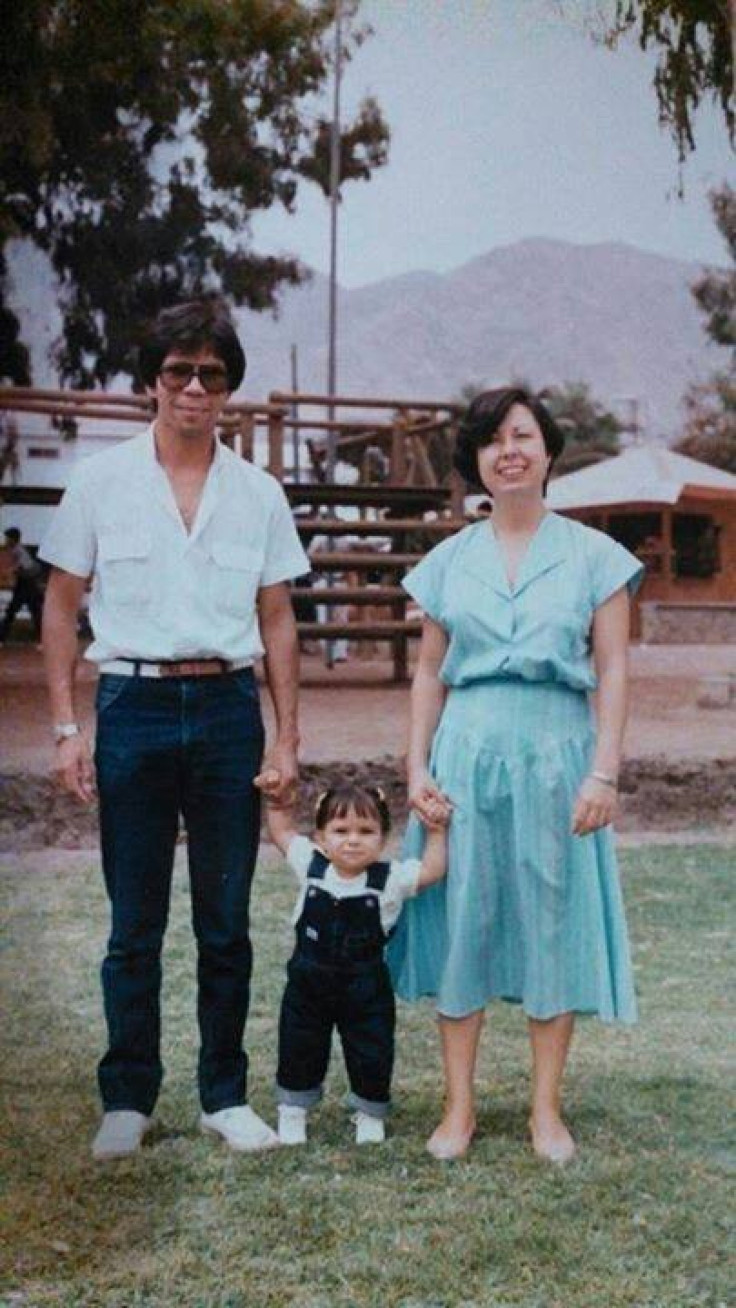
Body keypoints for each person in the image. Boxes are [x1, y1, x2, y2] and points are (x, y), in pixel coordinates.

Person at [39, 299, 310, 1160]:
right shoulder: (99, 482)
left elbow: (278, 620)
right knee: (135, 923)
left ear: (228, 389)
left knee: (225, 921)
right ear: (153, 381)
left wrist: (285, 738)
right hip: (132, 705)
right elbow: (59, 604)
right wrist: (64, 728)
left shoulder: (259, 492)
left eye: (213, 375)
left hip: (228, 708)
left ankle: (224, 1097)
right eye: (179, 372)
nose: (195, 388)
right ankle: (128, 1099)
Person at [388, 386, 643, 1164]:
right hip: (465, 754)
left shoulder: (597, 557)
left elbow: (615, 669)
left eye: (523, 435)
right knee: (461, 918)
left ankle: (545, 1112)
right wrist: (416, 764)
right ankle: (458, 1110)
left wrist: (604, 771)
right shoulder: (447, 560)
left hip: (560, 754)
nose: (510, 450)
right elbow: (430, 670)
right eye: (494, 439)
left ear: (549, 451)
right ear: (475, 460)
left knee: (551, 921)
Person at [258, 778, 449, 1146]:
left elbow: (432, 872)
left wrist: (437, 832)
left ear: (382, 838)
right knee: (299, 1044)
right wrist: (277, 797)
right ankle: (293, 1111)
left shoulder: (390, 879)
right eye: (340, 830)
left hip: (365, 988)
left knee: (371, 1049)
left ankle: (369, 1112)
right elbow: (281, 830)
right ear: (320, 837)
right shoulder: (311, 865)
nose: (353, 839)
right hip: (308, 984)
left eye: (366, 831)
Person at [0, 527, 44, 646]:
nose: (6, 540)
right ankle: (2, 638)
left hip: (27, 585)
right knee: (33, 613)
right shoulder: (15, 549)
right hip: (24, 584)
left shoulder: (19, 550)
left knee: (27, 612)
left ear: (13, 539)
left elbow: (26, 567)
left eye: (8, 538)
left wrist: (11, 571)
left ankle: (2, 639)